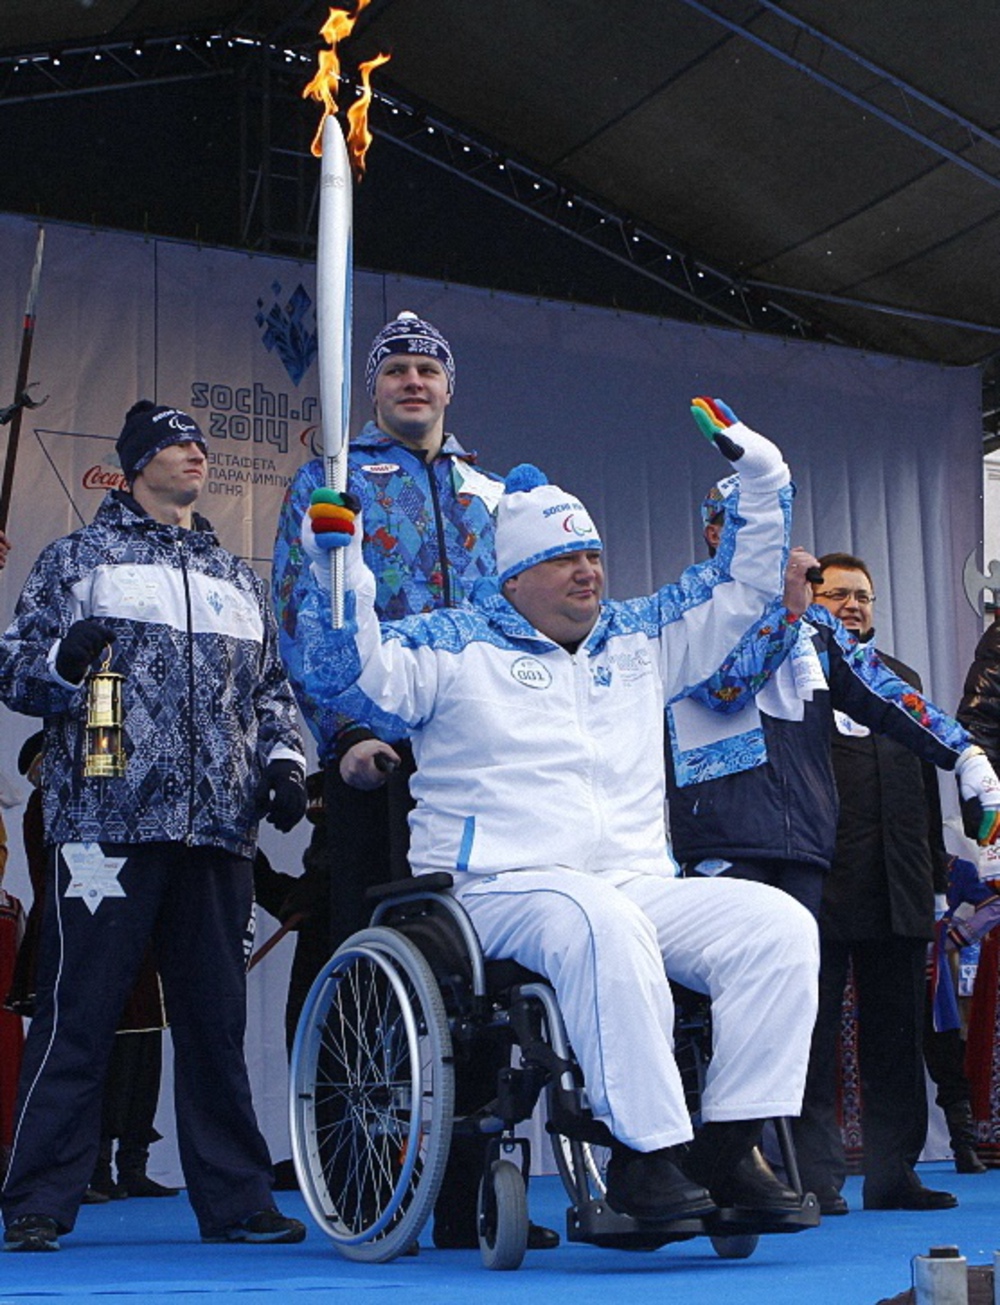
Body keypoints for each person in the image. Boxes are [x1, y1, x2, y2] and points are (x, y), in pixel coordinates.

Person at [287, 398, 824, 1226]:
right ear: (513, 577)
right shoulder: (452, 645)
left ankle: (727, 1145)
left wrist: (763, 473)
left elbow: (742, 587)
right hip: (494, 887)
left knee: (778, 926)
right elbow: (348, 676)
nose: (587, 572)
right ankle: (644, 1158)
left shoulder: (640, 638)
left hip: (633, 882)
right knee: (599, 919)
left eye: (593, 555)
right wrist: (341, 569)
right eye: (564, 558)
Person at [0, 400, 309, 1252]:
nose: (195, 453)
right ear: (136, 463)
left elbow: (271, 690)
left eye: (200, 442)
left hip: (216, 831)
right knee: (78, 1013)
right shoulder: (79, 558)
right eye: (175, 443)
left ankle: (237, 1198)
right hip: (106, 823)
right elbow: (15, 668)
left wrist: (285, 762)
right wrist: (64, 662)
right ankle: (37, 1198)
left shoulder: (235, 576)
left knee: (215, 1022)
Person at [273, 310, 540, 1251]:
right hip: (377, 758)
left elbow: (531, 612)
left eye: (429, 368)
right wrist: (343, 731)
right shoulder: (334, 480)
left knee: (485, 969)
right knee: (375, 971)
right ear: (374, 387)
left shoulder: (494, 493)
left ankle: (472, 1193)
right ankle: (363, 1185)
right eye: (397, 370)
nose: (414, 381)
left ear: (450, 386)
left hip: (481, 755)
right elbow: (303, 607)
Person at [666, 513, 1000, 1212]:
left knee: (897, 1035)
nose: (850, 605)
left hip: (896, 881)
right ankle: (810, 1171)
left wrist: (939, 865)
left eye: (862, 596)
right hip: (812, 873)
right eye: (836, 593)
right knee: (807, 1033)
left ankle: (893, 1169)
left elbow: (919, 780)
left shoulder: (888, 676)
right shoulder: (731, 638)